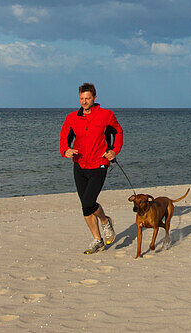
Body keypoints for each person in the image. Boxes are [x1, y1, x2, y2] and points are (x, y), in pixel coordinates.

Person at [59, 82, 122, 254]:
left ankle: (105, 221)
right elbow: (64, 137)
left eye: (88, 98)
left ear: (95, 97)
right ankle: (97, 240)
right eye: (81, 98)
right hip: (79, 164)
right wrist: (66, 150)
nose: (84, 101)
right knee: (85, 206)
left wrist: (114, 151)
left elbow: (118, 133)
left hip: (99, 163)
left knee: (89, 201)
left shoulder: (106, 115)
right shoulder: (72, 118)